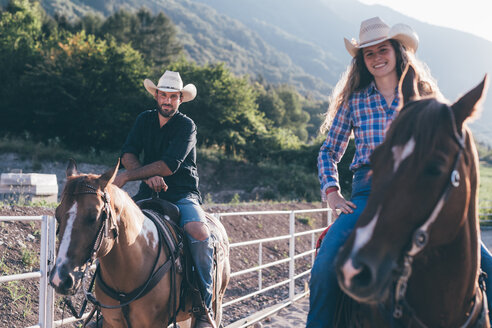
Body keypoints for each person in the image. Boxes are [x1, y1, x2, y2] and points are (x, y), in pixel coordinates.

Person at [307, 16, 492, 327]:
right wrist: (332, 192)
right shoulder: (355, 102)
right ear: (362, 62)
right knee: (326, 264)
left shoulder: (426, 97)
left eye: (383, 50)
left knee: (485, 263)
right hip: (370, 190)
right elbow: (328, 151)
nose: (377, 58)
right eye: (369, 53)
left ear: (398, 52)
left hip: (422, 189)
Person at [113, 70, 216, 328]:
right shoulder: (144, 119)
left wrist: (127, 177)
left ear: (180, 99)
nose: (167, 101)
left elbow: (169, 165)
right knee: (114, 230)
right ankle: (104, 302)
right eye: (163, 95)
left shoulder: (186, 126)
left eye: (173, 96)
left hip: (182, 192)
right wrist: (145, 177)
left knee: (199, 233)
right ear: (156, 95)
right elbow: (128, 153)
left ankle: (203, 305)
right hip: (150, 191)